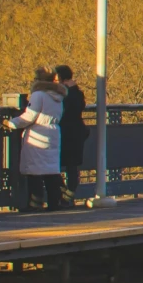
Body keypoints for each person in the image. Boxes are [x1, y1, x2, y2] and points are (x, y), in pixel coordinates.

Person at [16, 69, 67, 211]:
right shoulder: (58, 96)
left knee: (35, 171)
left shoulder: (38, 95)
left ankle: (35, 204)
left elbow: (29, 116)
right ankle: (55, 202)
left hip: (38, 134)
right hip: (53, 133)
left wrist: (12, 123)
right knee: (50, 170)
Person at [54, 64, 87, 202]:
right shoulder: (75, 92)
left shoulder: (68, 93)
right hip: (73, 132)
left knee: (62, 166)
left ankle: (66, 196)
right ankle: (66, 196)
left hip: (67, 133)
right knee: (69, 166)